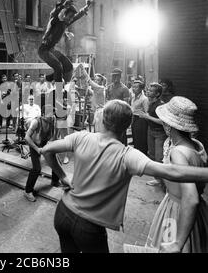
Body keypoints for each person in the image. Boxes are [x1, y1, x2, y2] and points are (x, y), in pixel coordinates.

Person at [40, 99, 208, 253]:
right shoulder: (128, 155)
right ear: (128, 125)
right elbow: (172, 172)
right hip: (89, 227)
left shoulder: (81, 136)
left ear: (103, 119)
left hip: (62, 212)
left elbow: (47, 150)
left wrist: (63, 176)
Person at [146, 96, 208, 253]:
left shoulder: (178, 153)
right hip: (198, 213)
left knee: (170, 246)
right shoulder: (197, 145)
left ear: (169, 126)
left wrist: (177, 243)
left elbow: (191, 198)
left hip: (177, 212)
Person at [39, 0, 93, 83]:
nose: (71, 19)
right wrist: (63, 6)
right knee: (58, 67)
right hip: (44, 50)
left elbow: (77, 16)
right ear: (64, 14)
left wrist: (87, 6)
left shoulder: (65, 23)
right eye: (70, 16)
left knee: (68, 66)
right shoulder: (56, 20)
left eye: (71, 17)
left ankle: (48, 79)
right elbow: (54, 14)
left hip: (51, 50)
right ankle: (59, 92)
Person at [24, 105, 64, 202]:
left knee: (56, 161)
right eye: (48, 116)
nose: (50, 117)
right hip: (34, 144)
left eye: (52, 115)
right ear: (43, 115)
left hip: (45, 142)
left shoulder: (53, 120)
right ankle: (27, 191)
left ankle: (54, 181)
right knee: (37, 168)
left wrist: (54, 146)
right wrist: (37, 149)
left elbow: (55, 136)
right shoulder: (36, 122)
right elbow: (27, 137)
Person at [139, 83, 168, 186]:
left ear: (157, 94)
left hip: (159, 133)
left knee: (159, 158)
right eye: (148, 90)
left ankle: (161, 180)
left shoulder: (161, 105)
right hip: (151, 131)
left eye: (151, 91)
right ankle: (158, 178)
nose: (148, 92)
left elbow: (163, 122)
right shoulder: (150, 102)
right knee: (151, 155)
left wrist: (147, 117)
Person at [106, 68, 131, 144]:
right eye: (113, 76)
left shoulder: (124, 89)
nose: (115, 78)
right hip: (111, 114)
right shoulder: (109, 87)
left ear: (120, 77)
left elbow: (126, 105)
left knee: (121, 135)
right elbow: (107, 100)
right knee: (111, 134)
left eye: (117, 76)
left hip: (120, 114)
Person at [131, 80, 149, 155]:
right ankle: (136, 154)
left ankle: (142, 155)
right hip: (134, 119)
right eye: (133, 87)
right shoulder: (133, 97)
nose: (133, 88)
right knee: (135, 138)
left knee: (140, 139)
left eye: (136, 87)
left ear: (141, 89)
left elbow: (147, 112)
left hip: (141, 120)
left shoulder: (144, 99)